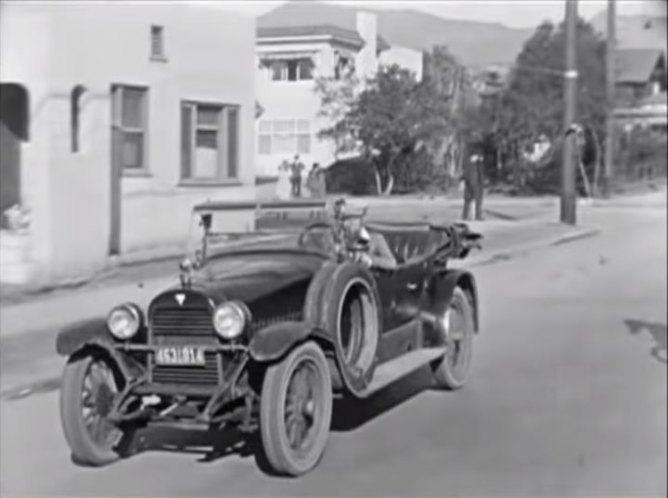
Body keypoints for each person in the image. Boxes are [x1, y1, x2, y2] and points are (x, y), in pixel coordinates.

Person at [461, 149, 484, 221]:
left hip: (468, 182)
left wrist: (463, 180)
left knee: (467, 199)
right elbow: (480, 174)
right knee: (478, 199)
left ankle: (465, 216)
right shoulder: (476, 165)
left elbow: (464, 174)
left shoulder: (467, 164)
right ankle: (478, 216)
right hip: (475, 182)